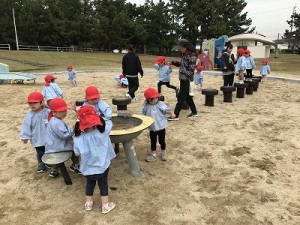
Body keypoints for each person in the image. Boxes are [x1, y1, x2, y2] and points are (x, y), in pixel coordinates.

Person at [74, 105, 116, 213]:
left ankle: (88, 203)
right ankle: (105, 206)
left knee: (89, 184)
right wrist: (100, 116)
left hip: (88, 168)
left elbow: (77, 152)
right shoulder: (102, 132)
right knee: (103, 185)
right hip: (102, 166)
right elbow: (109, 122)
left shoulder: (78, 139)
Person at [45, 98, 80, 178]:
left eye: (65, 110)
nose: (64, 113)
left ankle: (55, 169)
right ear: (53, 112)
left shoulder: (54, 120)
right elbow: (65, 135)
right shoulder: (56, 123)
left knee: (57, 156)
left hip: (52, 147)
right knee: (76, 149)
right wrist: (73, 129)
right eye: (61, 111)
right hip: (59, 147)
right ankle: (75, 165)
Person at [142, 88, 176, 162]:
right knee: (153, 141)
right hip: (152, 128)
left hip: (161, 127)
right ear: (149, 100)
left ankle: (163, 152)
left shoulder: (160, 104)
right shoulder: (146, 106)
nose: (157, 98)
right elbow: (143, 115)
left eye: (157, 97)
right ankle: (153, 154)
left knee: (162, 141)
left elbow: (167, 109)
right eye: (155, 98)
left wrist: (171, 113)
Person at [20, 92, 51, 173]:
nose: (32, 105)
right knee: (40, 152)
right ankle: (41, 163)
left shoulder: (48, 112)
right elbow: (26, 126)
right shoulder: (30, 115)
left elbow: (55, 119)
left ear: (41, 103)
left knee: (49, 150)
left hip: (49, 137)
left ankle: (48, 162)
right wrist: (25, 136)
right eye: (30, 103)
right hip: (37, 138)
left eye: (35, 103)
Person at [169, 39, 198, 120]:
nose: (180, 49)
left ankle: (176, 115)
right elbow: (182, 64)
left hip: (187, 79)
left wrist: (185, 76)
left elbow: (191, 70)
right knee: (187, 97)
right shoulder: (184, 54)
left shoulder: (192, 55)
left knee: (181, 97)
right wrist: (173, 62)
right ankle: (194, 112)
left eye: (181, 47)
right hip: (182, 78)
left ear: (186, 47)